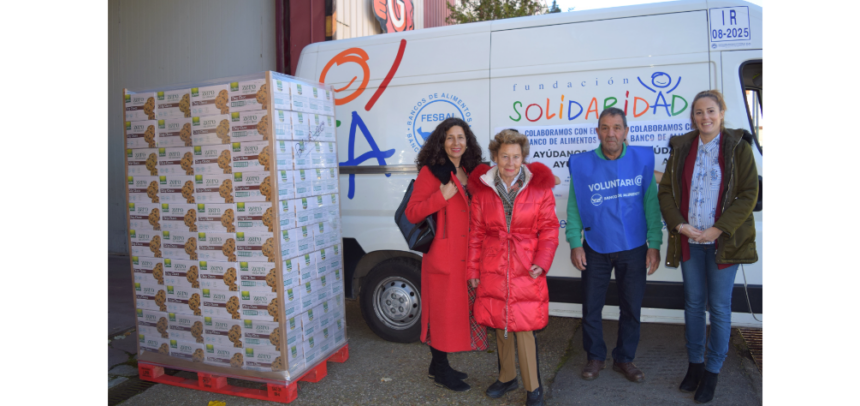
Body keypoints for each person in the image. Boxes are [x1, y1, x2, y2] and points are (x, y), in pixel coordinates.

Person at [658, 90, 759, 404]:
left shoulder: (738, 147)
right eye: (699, 112)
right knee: (692, 304)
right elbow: (666, 194)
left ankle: (713, 371)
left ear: (722, 112)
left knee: (719, 308)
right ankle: (695, 365)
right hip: (689, 241)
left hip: (722, 243)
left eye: (711, 111)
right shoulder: (683, 147)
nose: (705, 117)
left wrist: (718, 229)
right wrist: (679, 225)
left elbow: (748, 194)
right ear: (693, 117)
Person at [566, 108, 663, 384]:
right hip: (595, 247)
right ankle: (595, 356)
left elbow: (651, 207)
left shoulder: (641, 160)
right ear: (597, 132)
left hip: (634, 247)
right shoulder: (583, 165)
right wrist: (575, 242)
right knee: (591, 307)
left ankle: (624, 358)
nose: (611, 133)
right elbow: (574, 207)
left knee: (631, 307)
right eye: (605, 128)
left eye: (617, 127)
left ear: (626, 132)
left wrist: (654, 244)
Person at [467, 130, 559, 406]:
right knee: (499, 322)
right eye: (504, 156)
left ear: (523, 157)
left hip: (525, 264)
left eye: (516, 156)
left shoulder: (538, 187)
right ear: (495, 156)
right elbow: (476, 234)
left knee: (524, 326)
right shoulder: (483, 189)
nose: (510, 162)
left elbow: (550, 228)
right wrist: (472, 271)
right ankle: (507, 377)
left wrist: (541, 263)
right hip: (493, 264)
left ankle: (534, 387)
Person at [405, 117, 489, 393]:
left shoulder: (472, 171)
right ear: (441, 142)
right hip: (444, 257)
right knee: (442, 315)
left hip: (469, 256)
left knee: (460, 313)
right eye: (450, 137)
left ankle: (438, 365)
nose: (456, 143)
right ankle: (440, 368)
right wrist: (441, 196)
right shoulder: (432, 173)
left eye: (461, 137)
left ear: (468, 141)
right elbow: (412, 212)